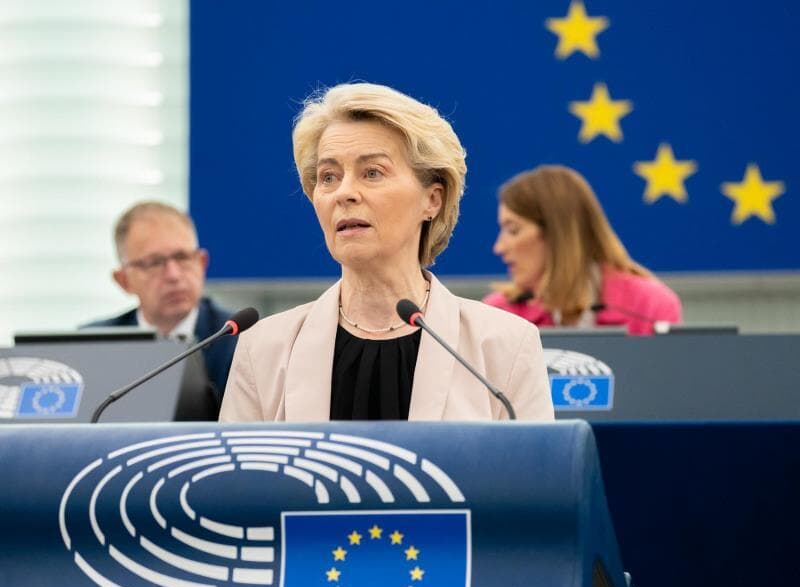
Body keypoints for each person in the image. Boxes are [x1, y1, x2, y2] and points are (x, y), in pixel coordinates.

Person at [220, 83, 553, 422]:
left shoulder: (504, 347)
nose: (344, 193)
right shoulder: (263, 350)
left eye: (372, 173)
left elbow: (534, 459)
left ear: (432, 200)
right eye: (328, 177)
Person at [484, 165, 682, 335]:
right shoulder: (496, 315)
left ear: (558, 234)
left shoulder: (650, 306)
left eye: (513, 230)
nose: (498, 247)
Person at [85, 201, 237, 417]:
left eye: (182, 257)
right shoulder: (94, 347)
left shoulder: (238, 339)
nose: (174, 275)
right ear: (123, 280)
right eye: (155, 263)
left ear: (202, 263)